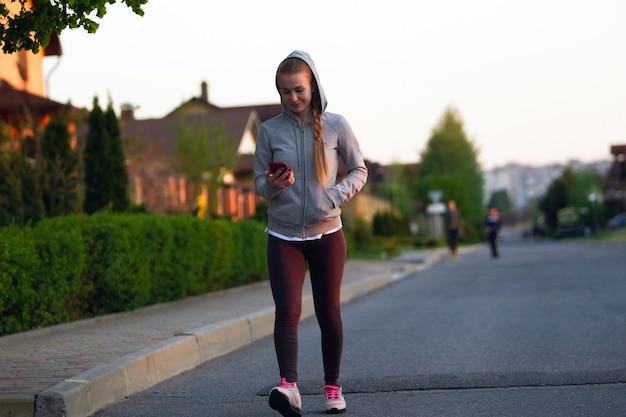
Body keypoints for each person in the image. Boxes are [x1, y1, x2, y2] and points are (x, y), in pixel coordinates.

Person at [254, 50, 368, 416]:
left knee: (328, 312)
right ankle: (289, 388)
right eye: (285, 91)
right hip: (283, 234)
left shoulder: (336, 125)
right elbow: (259, 183)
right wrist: (272, 185)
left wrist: (334, 194)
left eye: (299, 89)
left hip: (327, 234)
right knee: (286, 310)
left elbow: (359, 170)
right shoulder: (269, 130)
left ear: (313, 86)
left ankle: (332, 386)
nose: (293, 98)